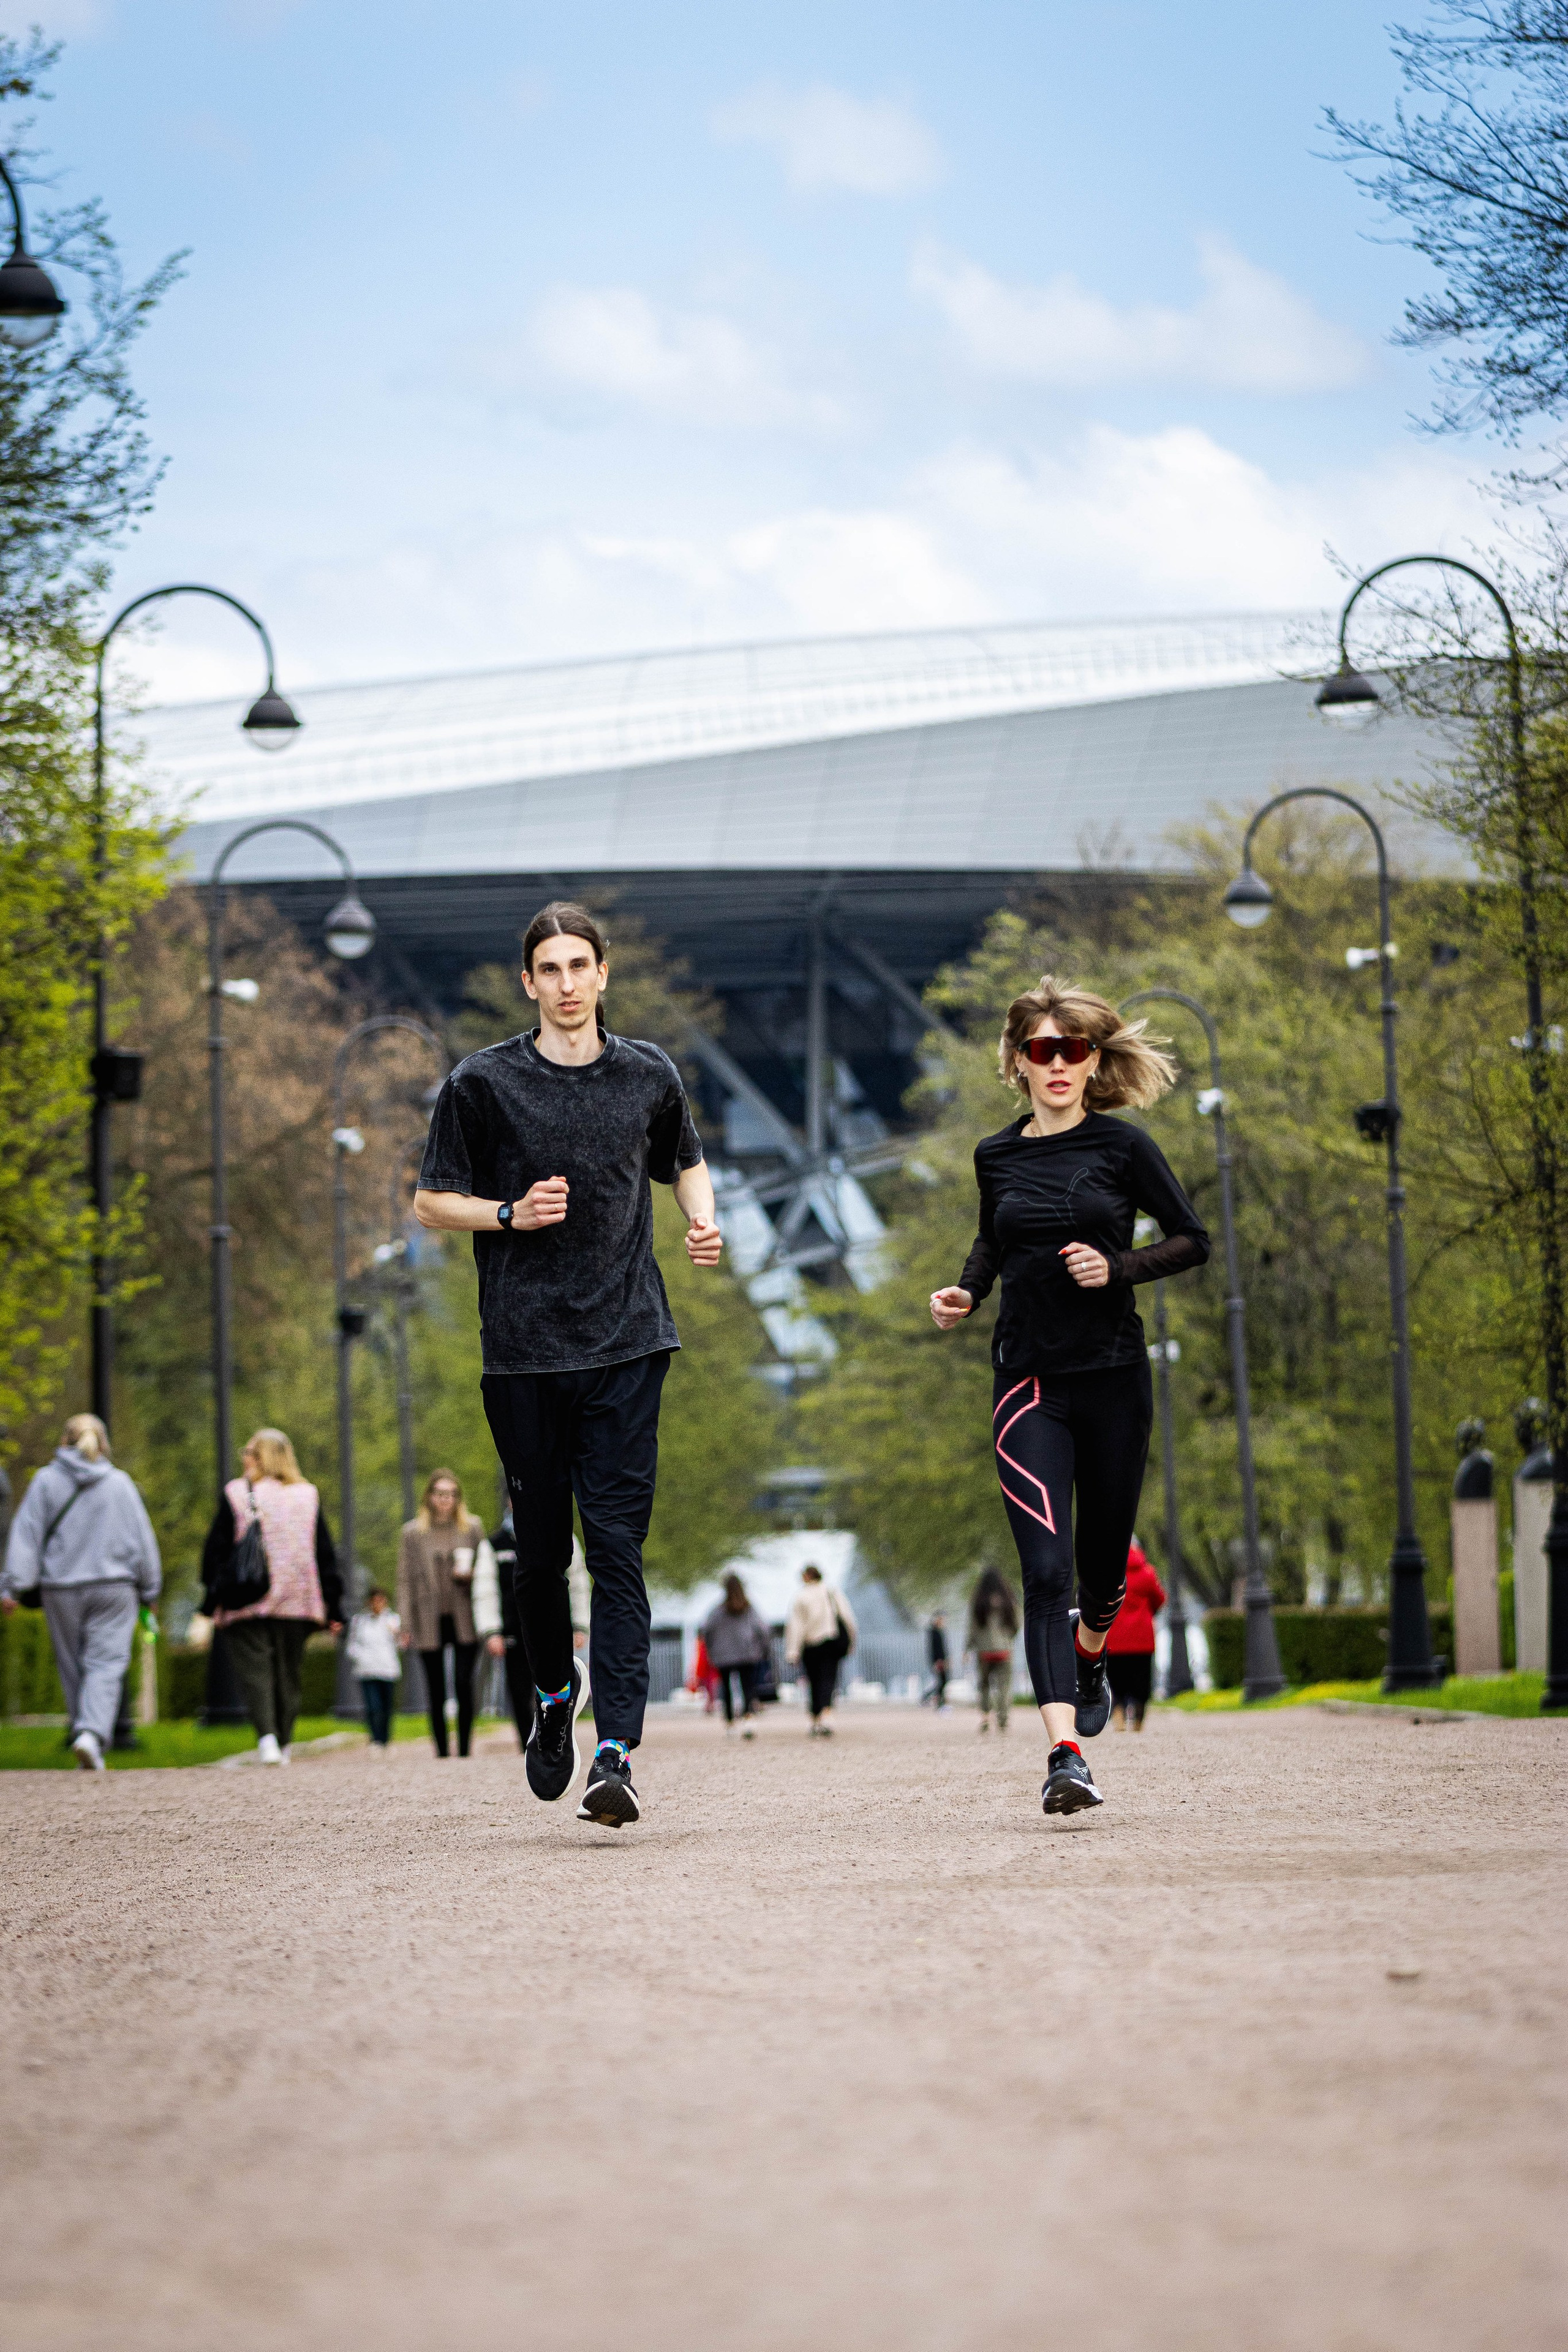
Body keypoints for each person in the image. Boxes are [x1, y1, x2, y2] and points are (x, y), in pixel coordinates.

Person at [415, 900, 722, 1827]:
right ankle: (555, 1691)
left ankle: (617, 1753)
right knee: (541, 1557)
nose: (564, 984)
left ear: (602, 974)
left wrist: (703, 1221)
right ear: (529, 982)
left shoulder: (649, 1074)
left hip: (631, 1342)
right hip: (522, 1354)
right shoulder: (483, 1083)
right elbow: (432, 1203)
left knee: (618, 1549)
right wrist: (509, 1213)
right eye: (547, 969)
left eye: (578, 966)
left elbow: (686, 1160)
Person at [930, 977, 1208, 1817]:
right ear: (1018, 1062)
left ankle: (1094, 1654)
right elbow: (992, 1238)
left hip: (1115, 1380)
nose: (1058, 1064)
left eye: (1074, 1049)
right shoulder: (996, 1154)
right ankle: (1065, 1755)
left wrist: (1117, 1267)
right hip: (1028, 1382)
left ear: (1093, 1062)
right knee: (1044, 1574)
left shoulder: (1124, 1150)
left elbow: (1194, 1239)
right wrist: (966, 1293)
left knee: (1100, 1579)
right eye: (1042, 1050)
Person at [0, 1414, 161, 1772]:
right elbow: (143, 1539)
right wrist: (151, 1588)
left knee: (72, 1665)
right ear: (103, 1444)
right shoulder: (121, 1483)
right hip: (115, 1588)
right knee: (106, 1663)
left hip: (62, 1589)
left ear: (63, 1442)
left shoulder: (45, 1482)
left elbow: (27, 1535)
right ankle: (91, 1734)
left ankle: (83, 1731)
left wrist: (13, 1585)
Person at [202, 1426, 343, 1764]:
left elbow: (216, 1550)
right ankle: (284, 1739)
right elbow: (324, 1553)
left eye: (248, 1453)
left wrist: (214, 1594)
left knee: (256, 1671)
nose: (244, 1459)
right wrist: (334, 1605)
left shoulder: (237, 1493)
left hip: (246, 1598)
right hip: (299, 1600)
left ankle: (267, 1737)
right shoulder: (308, 1495)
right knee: (288, 1672)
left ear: (260, 1458)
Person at [396, 1469, 496, 1759]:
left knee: (465, 1682)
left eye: (451, 1494)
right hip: (428, 1618)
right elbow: (404, 1580)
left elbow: (487, 1573)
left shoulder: (472, 1528)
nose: (445, 1500)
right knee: (436, 1688)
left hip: (465, 1616)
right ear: (429, 1496)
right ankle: (441, 1752)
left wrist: (470, 1574)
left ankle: (464, 1749)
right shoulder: (413, 1533)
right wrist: (405, 1622)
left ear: (457, 1498)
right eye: (440, 1493)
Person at [479, 1514, 589, 1749]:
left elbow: (578, 1582)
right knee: (519, 1691)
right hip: (512, 1629)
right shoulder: (494, 1544)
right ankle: (529, 1746)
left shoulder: (563, 1536)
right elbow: (486, 1590)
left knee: (556, 1685)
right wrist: (491, 1631)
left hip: (554, 1627)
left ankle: (557, 1739)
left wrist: (579, 1624)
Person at [785, 1562, 856, 1737]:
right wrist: (852, 1641)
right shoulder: (832, 1592)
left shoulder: (801, 1597)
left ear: (807, 1576)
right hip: (831, 1641)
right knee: (829, 1679)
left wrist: (793, 1650)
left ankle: (815, 1716)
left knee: (814, 1680)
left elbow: (796, 1626)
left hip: (810, 1645)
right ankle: (826, 1712)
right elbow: (848, 1618)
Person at [700, 1573, 771, 1737]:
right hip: (748, 1653)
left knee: (727, 1689)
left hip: (723, 1656)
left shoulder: (717, 1611)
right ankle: (748, 1721)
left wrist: (712, 1650)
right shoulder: (749, 1608)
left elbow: (706, 1631)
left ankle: (730, 1724)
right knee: (748, 1687)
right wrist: (763, 1649)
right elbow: (763, 1630)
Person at [1106, 1540, 1166, 1730]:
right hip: (1142, 1638)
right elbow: (1160, 1599)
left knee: (1116, 1679)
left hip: (1115, 1638)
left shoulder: (1110, 1573)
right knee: (1141, 1681)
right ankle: (1138, 1720)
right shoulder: (1148, 1573)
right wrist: (1149, 1612)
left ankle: (1119, 1714)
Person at [347, 1585, 402, 1752]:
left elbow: (401, 1645)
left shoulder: (393, 1620)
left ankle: (386, 1739)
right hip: (367, 1670)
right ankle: (375, 1739)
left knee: (386, 1707)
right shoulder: (359, 1621)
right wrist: (360, 1657)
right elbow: (352, 1645)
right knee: (373, 1706)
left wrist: (396, 1635)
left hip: (387, 1669)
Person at [968, 1566, 1020, 1734]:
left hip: (984, 1651)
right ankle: (1003, 1720)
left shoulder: (978, 1601)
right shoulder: (1008, 1599)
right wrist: (1009, 1638)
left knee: (984, 1685)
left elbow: (973, 1627)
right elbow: (1017, 1624)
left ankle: (985, 1718)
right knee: (1004, 1685)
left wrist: (969, 1646)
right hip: (1004, 1650)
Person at [925, 1611, 950, 1708]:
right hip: (938, 1661)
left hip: (942, 1660)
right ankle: (937, 1701)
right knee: (941, 1681)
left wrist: (946, 1659)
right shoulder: (933, 1632)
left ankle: (938, 1700)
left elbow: (943, 1648)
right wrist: (936, 1661)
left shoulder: (940, 1631)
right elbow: (933, 1649)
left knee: (943, 1681)